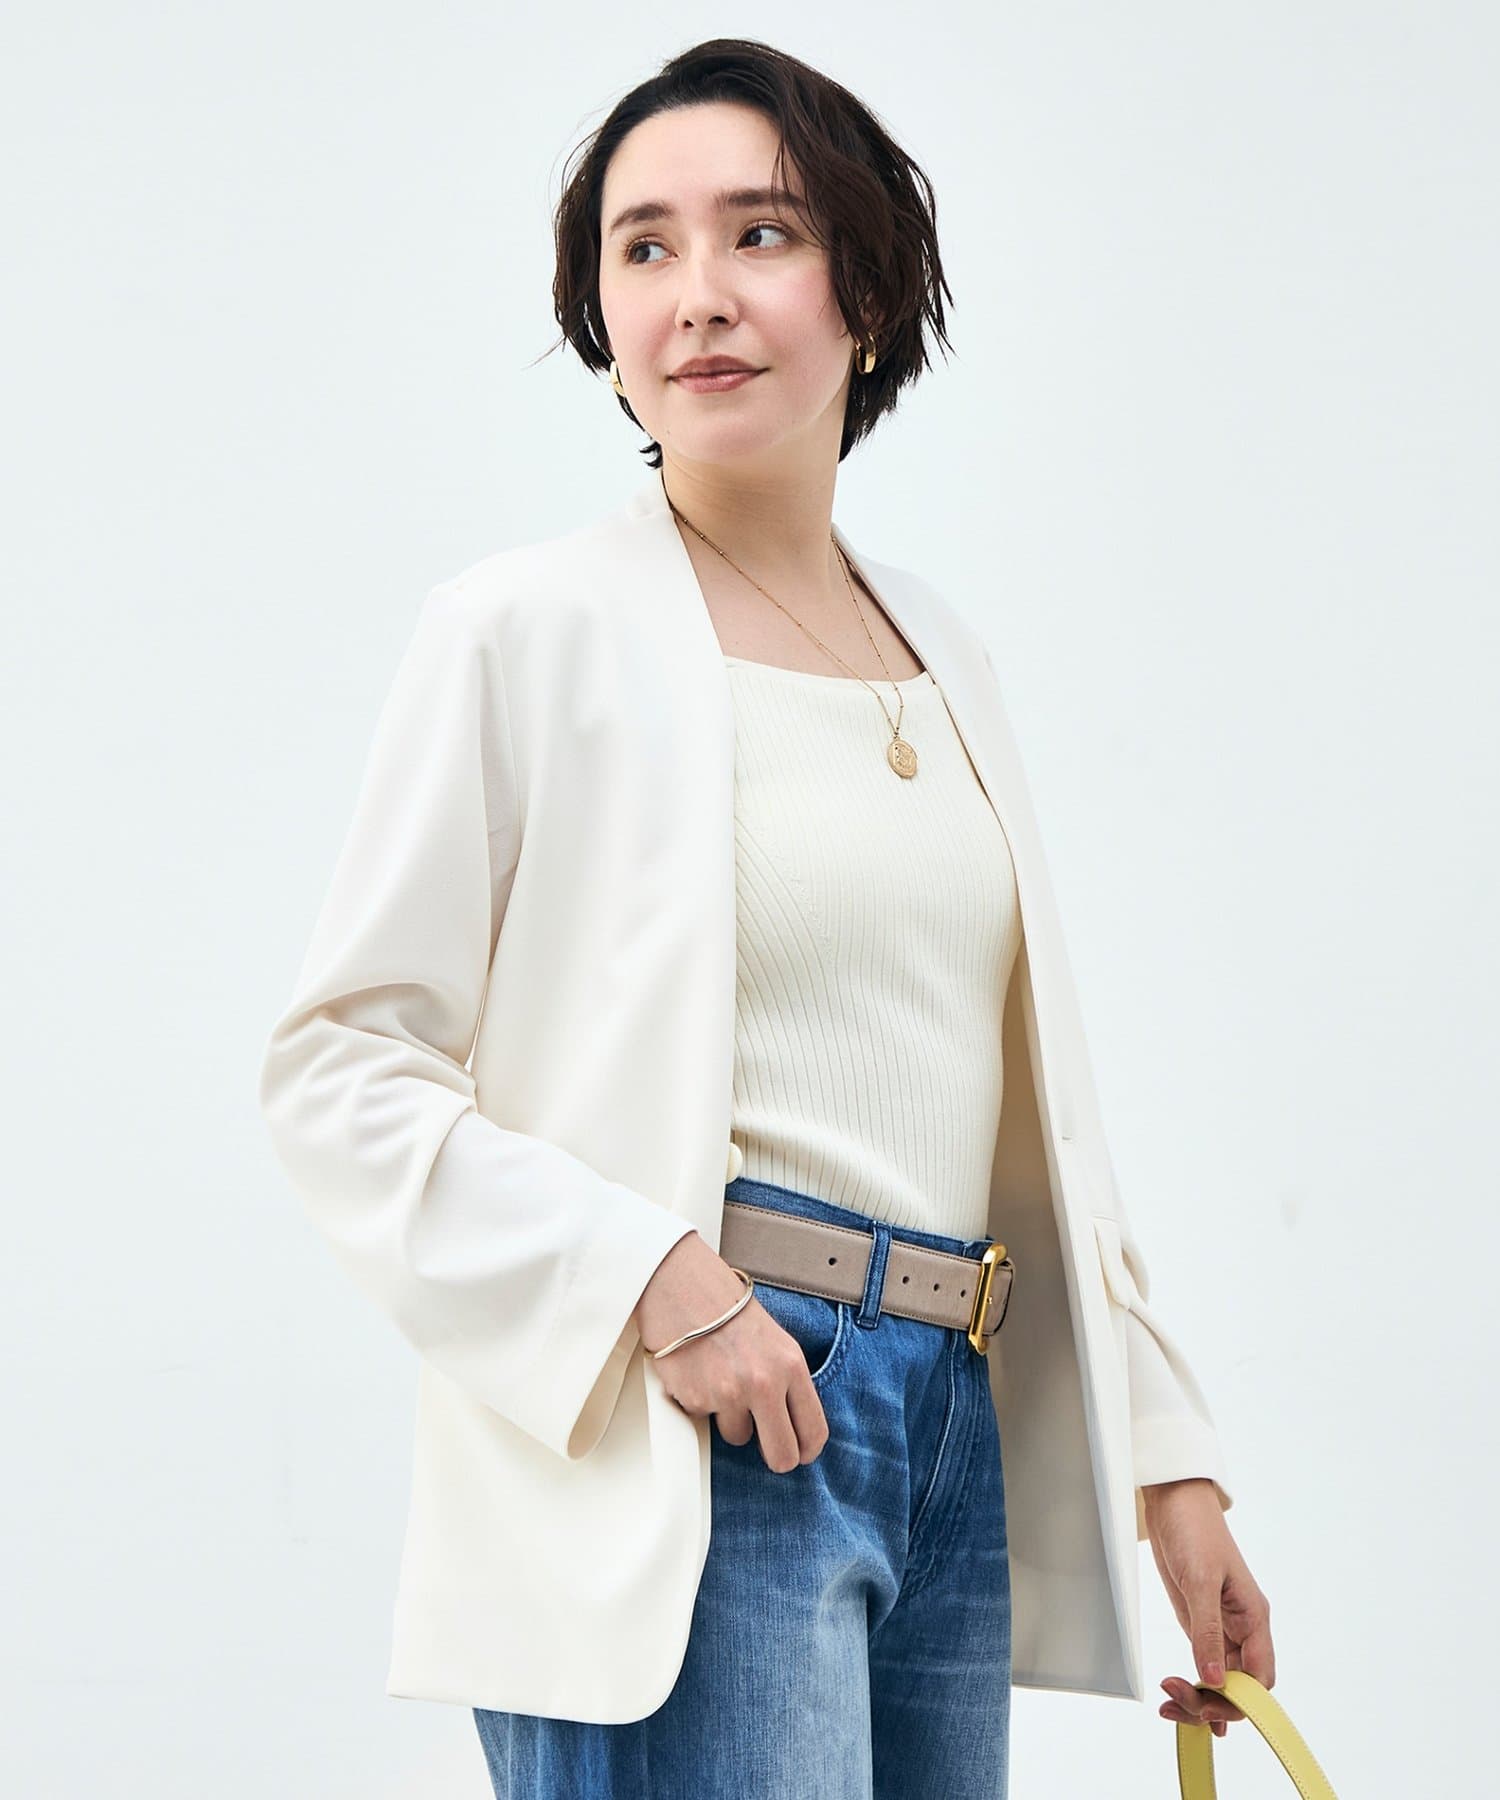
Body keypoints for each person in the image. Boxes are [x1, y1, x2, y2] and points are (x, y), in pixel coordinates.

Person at [258, 36, 1275, 1800]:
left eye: (762, 233)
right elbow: (338, 1068)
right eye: (644, 246)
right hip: (710, 1410)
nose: (700, 294)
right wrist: (648, 1284)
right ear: (600, 314)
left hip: (953, 1418)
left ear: (868, 291)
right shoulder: (525, 631)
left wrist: (1167, 1459)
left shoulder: (943, 651)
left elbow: (1024, 1113)